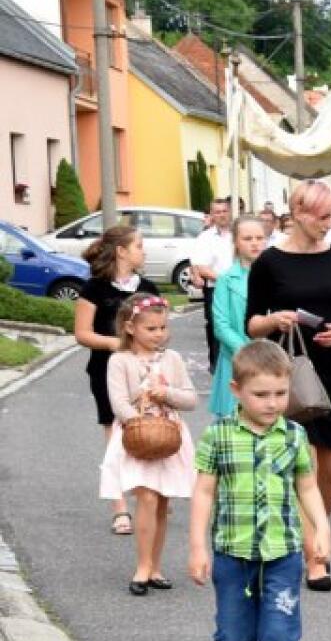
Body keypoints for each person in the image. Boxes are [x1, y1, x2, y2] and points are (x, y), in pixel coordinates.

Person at [188, 340, 331, 641]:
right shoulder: (219, 435)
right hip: (233, 554)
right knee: (234, 638)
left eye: (280, 393)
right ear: (237, 391)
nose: (272, 403)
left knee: (281, 635)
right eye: (261, 394)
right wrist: (197, 546)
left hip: (282, 553)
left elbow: (307, 487)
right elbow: (203, 492)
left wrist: (321, 529)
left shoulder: (294, 436)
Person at [246, 180, 331, 593]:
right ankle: (316, 557)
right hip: (290, 375)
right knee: (306, 467)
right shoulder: (269, 262)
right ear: (298, 213)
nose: (329, 224)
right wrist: (275, 319)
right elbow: (251, 324)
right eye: (322, 216)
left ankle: (313, 530)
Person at [100, 294, 197, 596]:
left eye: (163, 328)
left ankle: (155, 566)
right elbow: (118, 404)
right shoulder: (120, 361)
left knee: (163, 502)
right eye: (151, 328)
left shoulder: (173, 359)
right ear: (130, 328)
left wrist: (166, 394)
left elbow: (191, 398)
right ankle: (142, 566)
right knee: (147, 497)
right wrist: (141, 422)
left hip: (169, 438)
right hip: (137, 439)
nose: (159, 334)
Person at [73, 224, 160, 535]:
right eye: (139, 246)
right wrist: (115, 344)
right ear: (121, 251)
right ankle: (119, 508)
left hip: (145, 370)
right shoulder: (94, 288)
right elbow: (82, 334)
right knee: (116, 440)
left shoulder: (148, 287)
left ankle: (150, 495)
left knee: (147, 433)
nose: (144, 251)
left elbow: (160, 329)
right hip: (106, 371)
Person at [207, 216, 267, 417]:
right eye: (247, 238)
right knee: (234, 422)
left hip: (272, 360)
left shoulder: (277, 276)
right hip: (236, 359)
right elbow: (221, 325)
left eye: (259, 238)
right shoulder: (226, 280)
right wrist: (248, 353)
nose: (255, 243)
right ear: (236, 242)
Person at [191, 198, 234, 371]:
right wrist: (226, 280)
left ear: (230, 212)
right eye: (217, 212)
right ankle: (217, 365)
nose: (222, 215)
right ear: (211, 215)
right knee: (216, 326)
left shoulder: (238, 234)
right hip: (215, 288)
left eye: (224, 211)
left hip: (239, 287)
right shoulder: (205, 238)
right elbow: (201, 266)